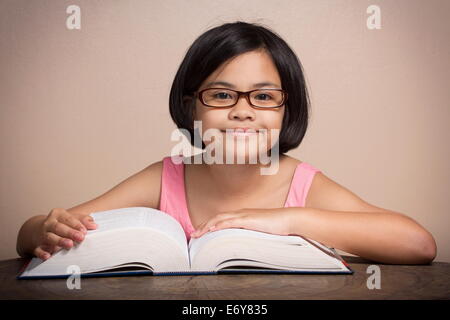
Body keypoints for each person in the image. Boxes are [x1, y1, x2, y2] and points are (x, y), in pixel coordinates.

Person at [16, 21, 436, 265]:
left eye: (264, 96)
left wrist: (289, 220)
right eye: (221, 95)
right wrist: (45, 228)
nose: (242, 111)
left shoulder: (302, 183)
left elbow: (418, 244)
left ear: (286, 110)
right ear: (191, 107)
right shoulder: (166, 178)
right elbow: (31, 235)